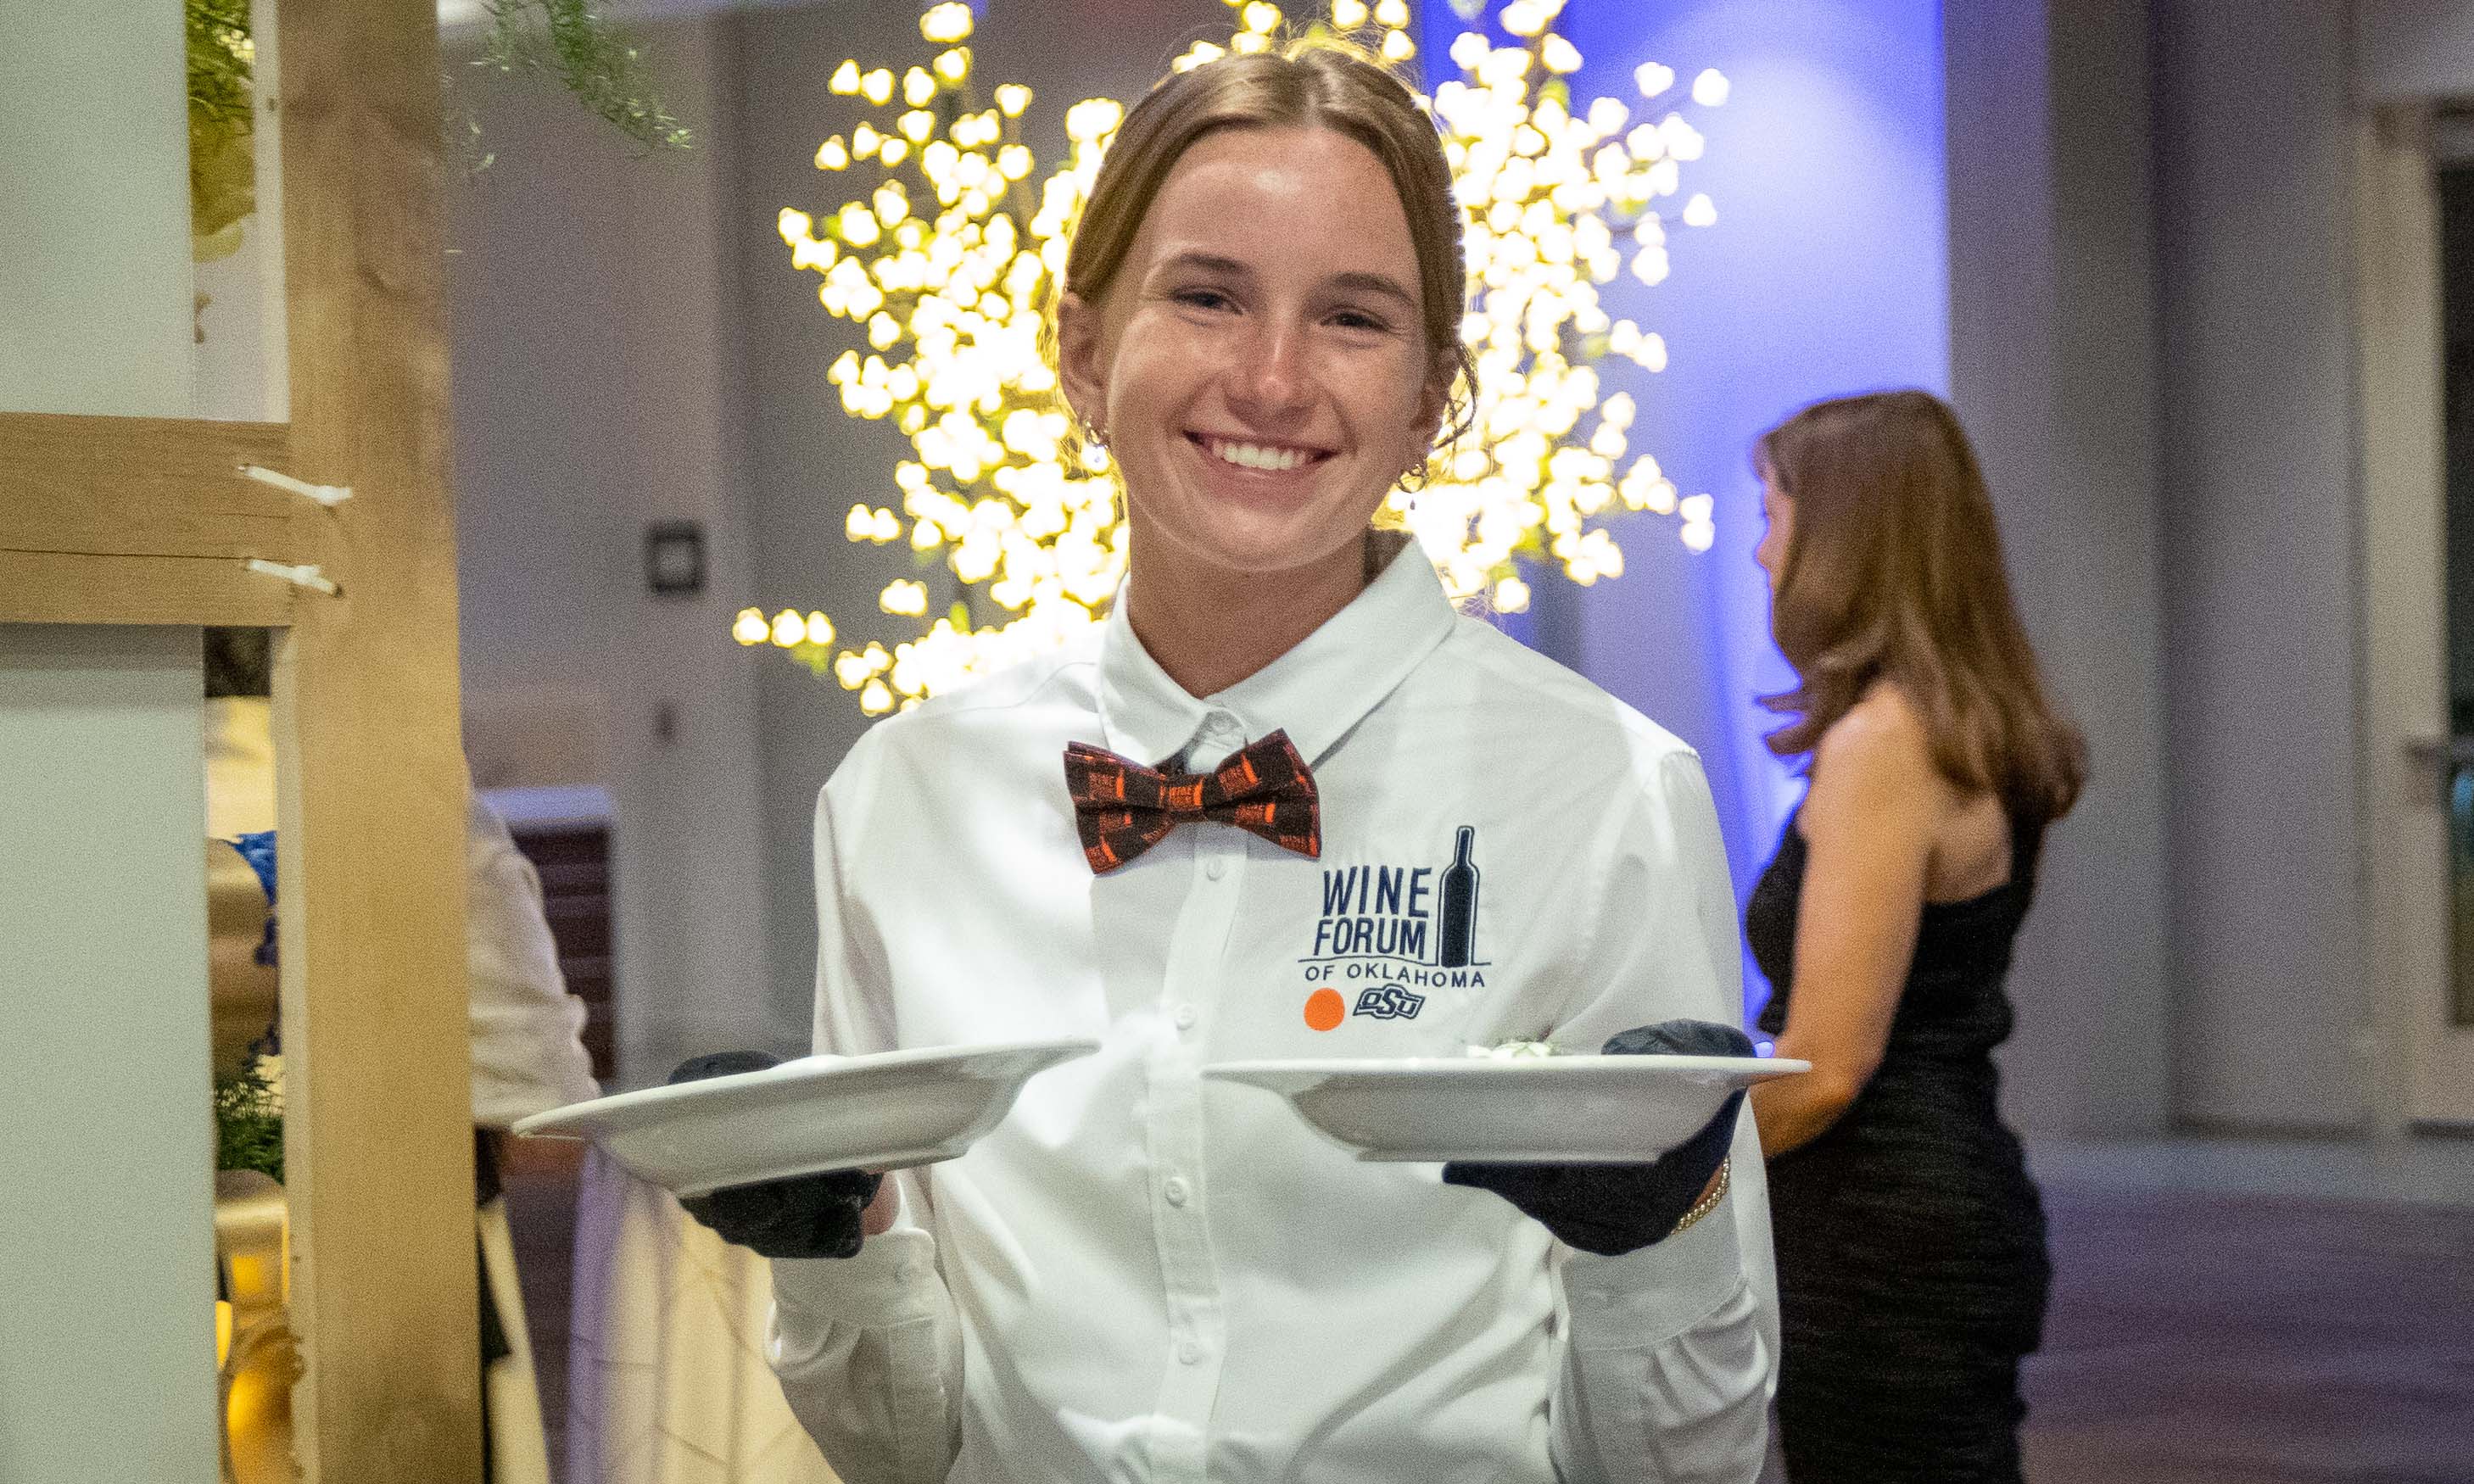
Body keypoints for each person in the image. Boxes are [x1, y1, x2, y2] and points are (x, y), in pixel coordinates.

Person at [679, 38, 1779, 1484]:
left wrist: (1655, 1246)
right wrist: (836, 1250)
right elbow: (906, 1453)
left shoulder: (1601, 795)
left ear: (1431, 396)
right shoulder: (904, 801)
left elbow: (1679, 1463)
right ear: (1082, 346)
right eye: (1205, 296)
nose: (1270, 379)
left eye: (1352, 318)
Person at [1740, 390, 2085, 1481]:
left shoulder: (1884, 743)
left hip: (1881, 1225)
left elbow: (1831, 1066)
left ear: (1844, 536)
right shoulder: (1963, 727)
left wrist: (1649, 1163)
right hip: (1930, 1204)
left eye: (1774, 513)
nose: (1759, 551)